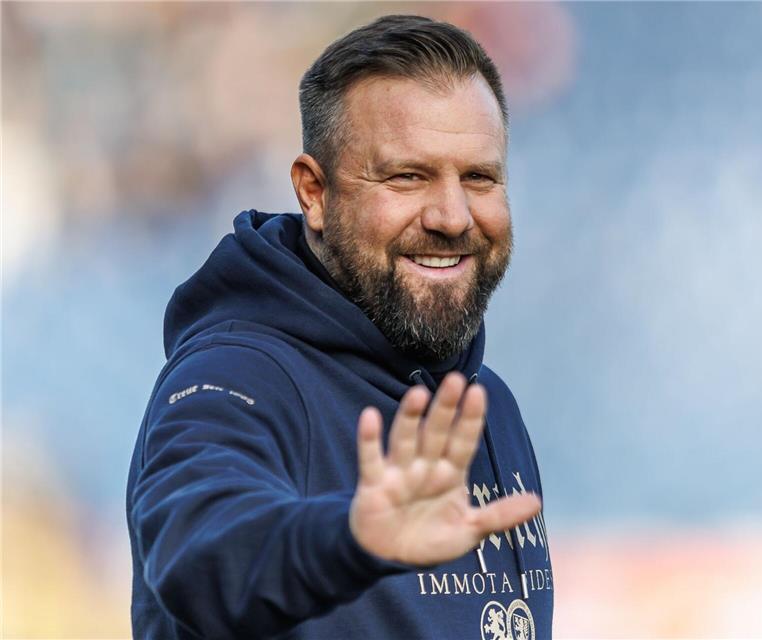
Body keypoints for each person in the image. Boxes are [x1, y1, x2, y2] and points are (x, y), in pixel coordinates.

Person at [126, 14, 553, 640]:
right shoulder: (236, 375)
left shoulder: (489, 405)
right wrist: (349, 538)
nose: (453, 216)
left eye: (479, 177)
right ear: (314, 193)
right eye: (408, 176)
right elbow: (195, 552)